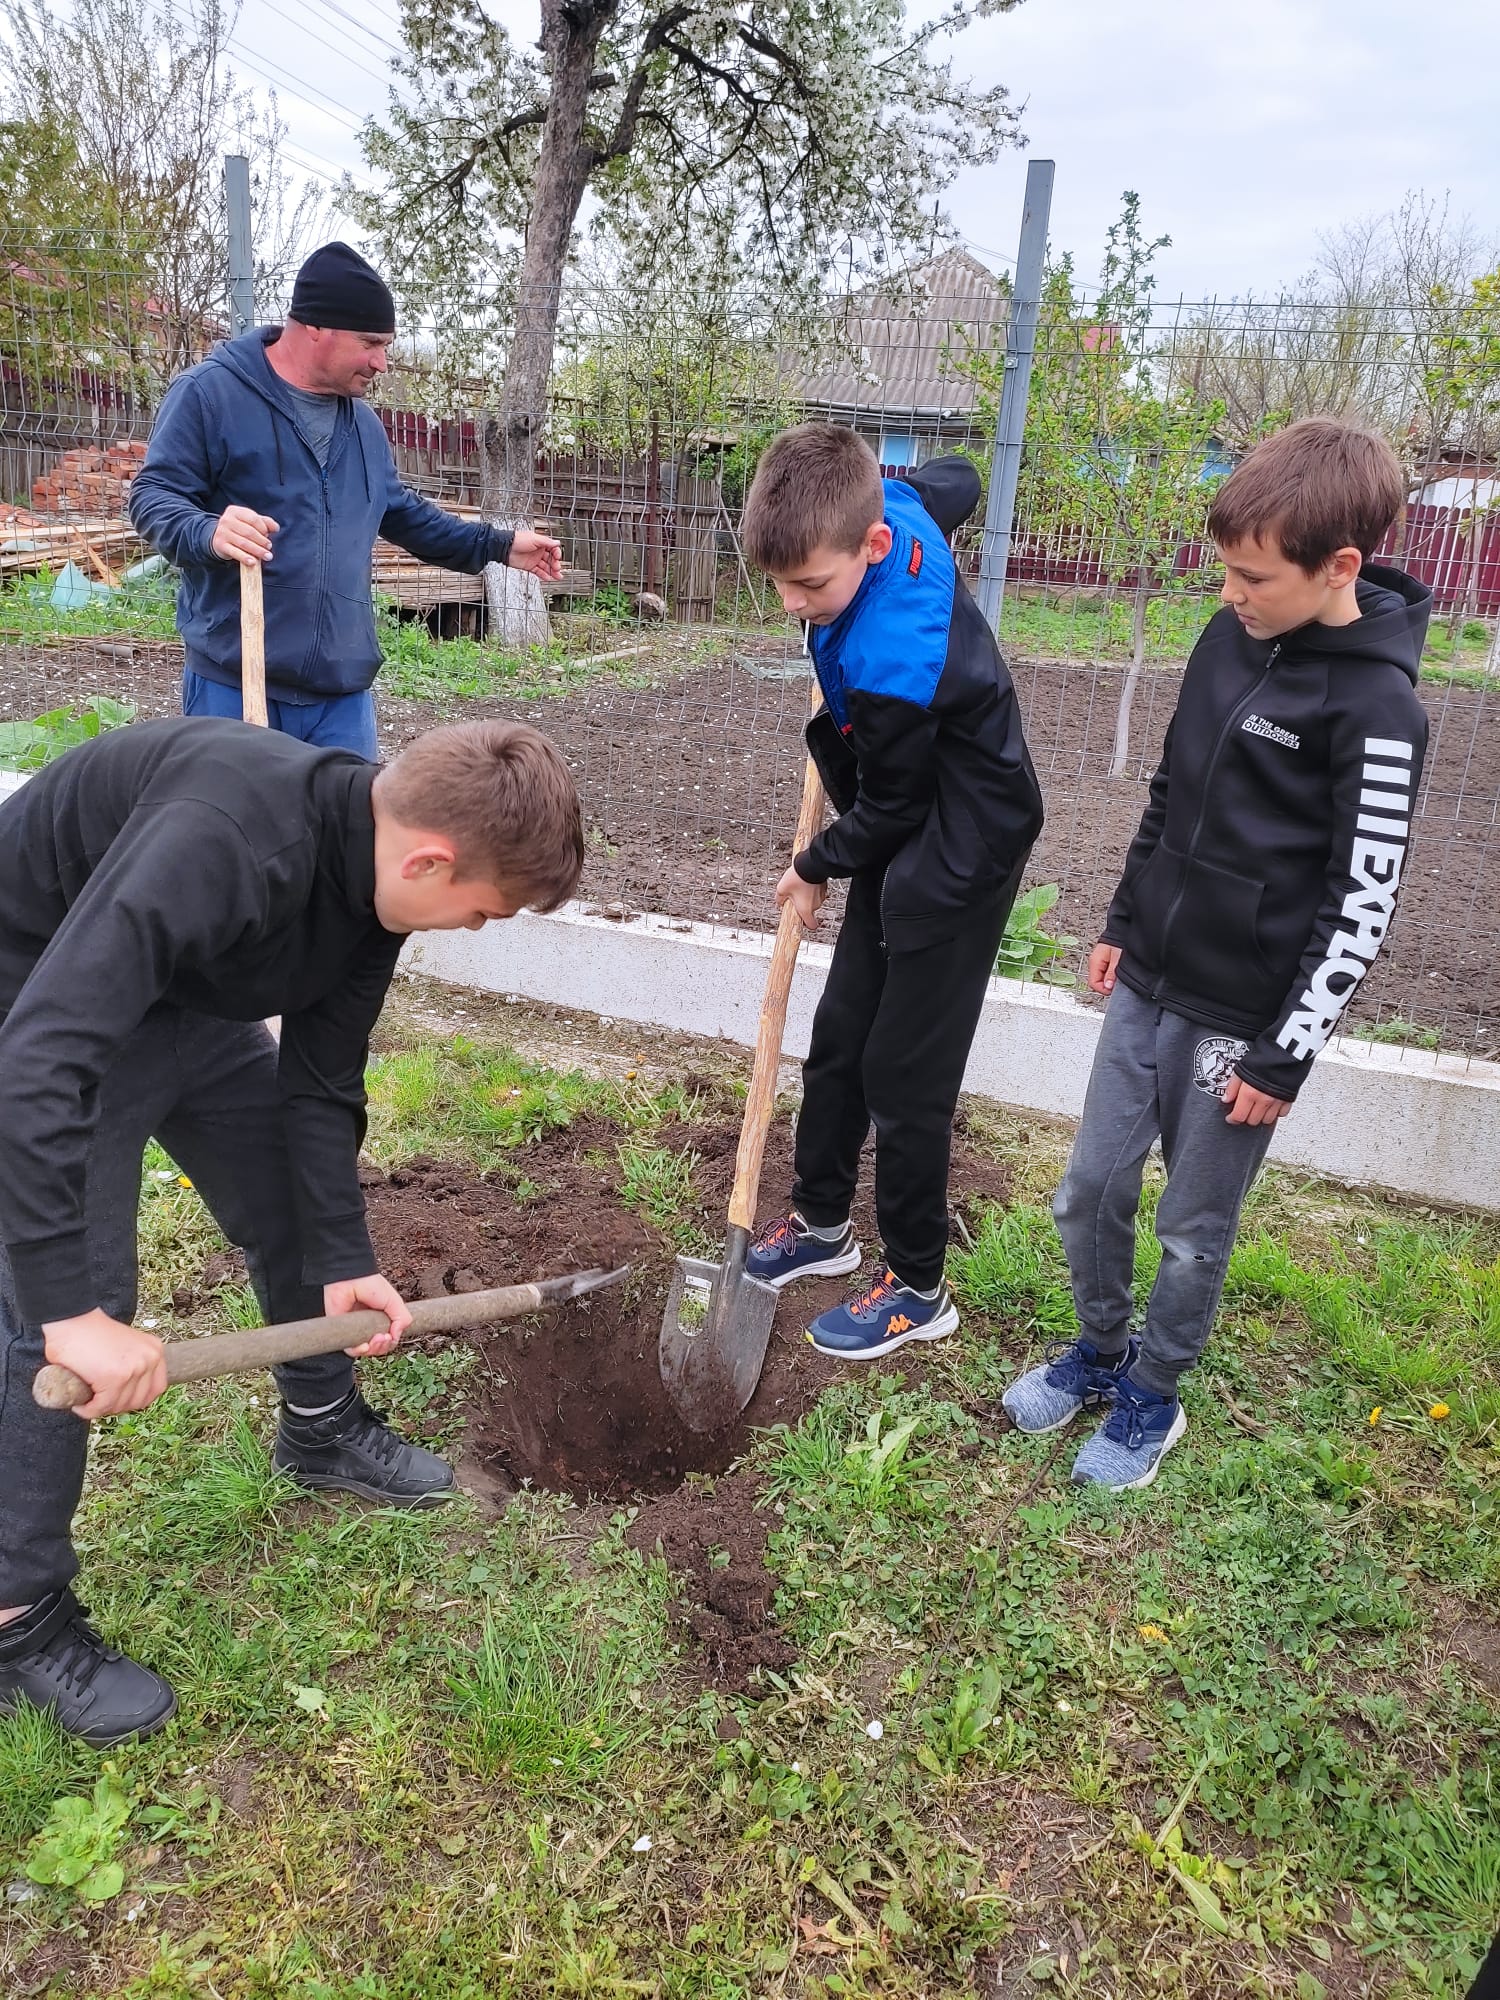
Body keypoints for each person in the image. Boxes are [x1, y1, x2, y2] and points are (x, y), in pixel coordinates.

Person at [0, 714, 583, 1746]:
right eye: (483, 912)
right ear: (429, 860)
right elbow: (38, 1060)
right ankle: (17, 1618)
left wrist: (345, 1259)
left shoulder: (376, 888)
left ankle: (320, 1427)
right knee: (70, 1303)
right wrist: (67, 1313)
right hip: (34, 997)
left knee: (290, 1206)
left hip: (179, 992)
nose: (473, 928)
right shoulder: (224, 837)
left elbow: (319, 1084)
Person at [1002, 418, 1431, 1491]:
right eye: (1226, 570)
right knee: (1089, 1188)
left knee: (1192, 1228)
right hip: (1149, 978)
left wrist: (1285, 1056)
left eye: (1254, 576)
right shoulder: (1224, 636)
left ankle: (1154, 1393)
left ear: (1339, 566)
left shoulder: (1381, 710)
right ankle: (1101, 1350)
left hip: (1242, 1024)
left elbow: (1363, 902)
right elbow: (1172, 789)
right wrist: (1122, 919)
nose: (1232, 592)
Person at [737, 422, 1043, 1357]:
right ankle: (822, 1224)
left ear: (873, 546)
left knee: (905, 1074)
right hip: (901, 815)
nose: (795, 605)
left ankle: (917, 1284)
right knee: (842, 1037)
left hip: (962, 838)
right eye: (780, 585)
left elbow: (895, 807)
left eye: (811, 586)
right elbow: (957, 477)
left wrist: (811, 865)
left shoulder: (891, 663)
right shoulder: (898, 504)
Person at [129, 242, 563, 760]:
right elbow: (153, 497)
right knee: (235, 815)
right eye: (370, 343)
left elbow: (400, 513)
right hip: (235, 683)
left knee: (352, 816)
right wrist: (208, 531)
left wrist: (498, 545)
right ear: (316, 327)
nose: (382, 362)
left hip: (341, 698)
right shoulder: (210, 395)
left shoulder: (362, 426)